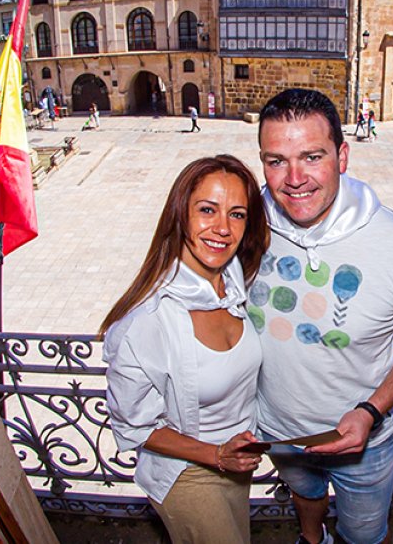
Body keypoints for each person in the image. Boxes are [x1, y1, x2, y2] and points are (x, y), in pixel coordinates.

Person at [253, 89, 393, 544]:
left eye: (312, 156)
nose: (294, 178)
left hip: (366, 441)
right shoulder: (247, 228)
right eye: (276, 160)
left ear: (342, 156)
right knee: (305, 496)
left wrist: (370, 411)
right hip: (280, 433)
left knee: (363, 533)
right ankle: (312, 538)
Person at [103, 155, 271, 544]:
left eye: (237, 214)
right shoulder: (146, 321)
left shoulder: (232, 280)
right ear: (180, 215)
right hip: (186, 472)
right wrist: (215, 455)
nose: (222, 229)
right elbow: (134, 426)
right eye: (207, 210)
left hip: (237, 463)